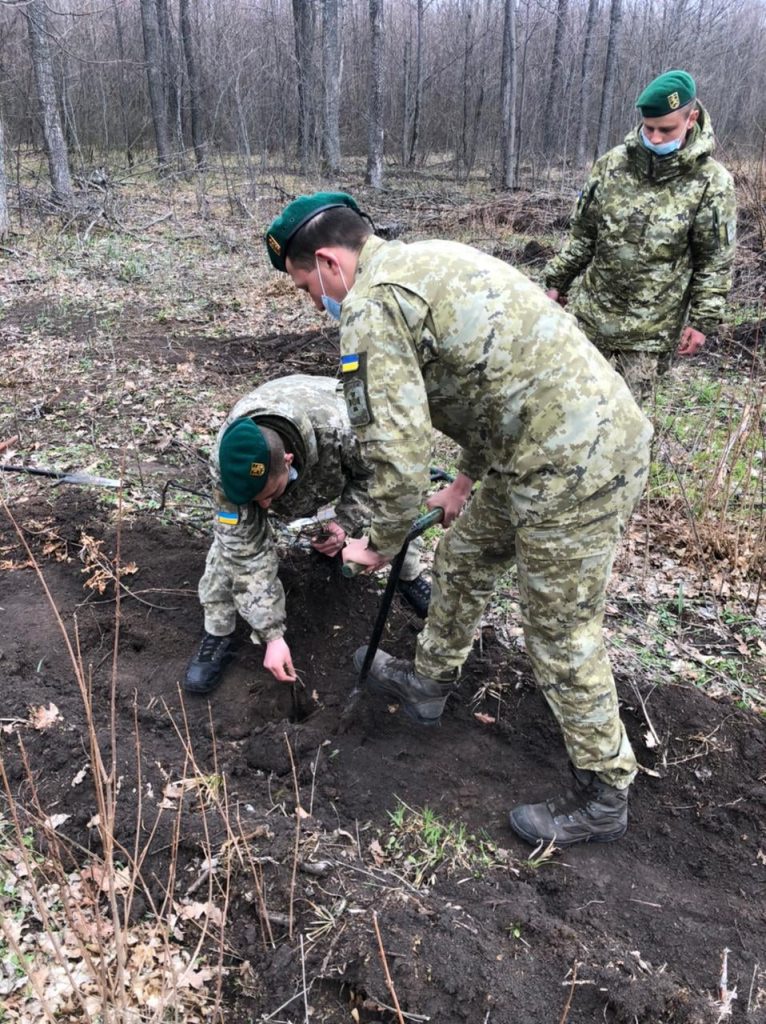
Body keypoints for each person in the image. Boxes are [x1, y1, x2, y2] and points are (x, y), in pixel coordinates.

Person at [264, 191, 654, 848]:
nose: (314, 302)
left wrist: (377, 544)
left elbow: (397, 447)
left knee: (559, 628)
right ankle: (428, 684)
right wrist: (465, 482)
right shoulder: (430, 261)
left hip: (571, 460)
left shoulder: (370, 308)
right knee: (468, 554)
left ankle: (602, 792)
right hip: (551, 438)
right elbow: (493, 379)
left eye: (307, 286)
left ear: (328, 261)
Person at [184, 374, 431, 694]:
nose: (265, 506)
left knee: (390, 520)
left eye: (270, 494)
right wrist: (272, 636)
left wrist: (344, 521)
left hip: (329, 457)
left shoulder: (345, 430)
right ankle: (217, 632)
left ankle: (409, 576)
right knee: (229, 548)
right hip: (284, 472)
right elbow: (246, 554)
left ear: (288, 461)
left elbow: (381, 479)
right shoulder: (229, 465)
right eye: (257, 500)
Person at [543, 69, 736, 402]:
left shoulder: (711, 183)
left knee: (623, 427)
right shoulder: (612, 166)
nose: (656, 138)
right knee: (569, 411)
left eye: (666, 129)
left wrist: (704, 320)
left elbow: (713, 260)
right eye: (649, 128)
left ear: (691, 119)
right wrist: (557, 281)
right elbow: (583, 235)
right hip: (590, 320)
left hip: (649, 336)